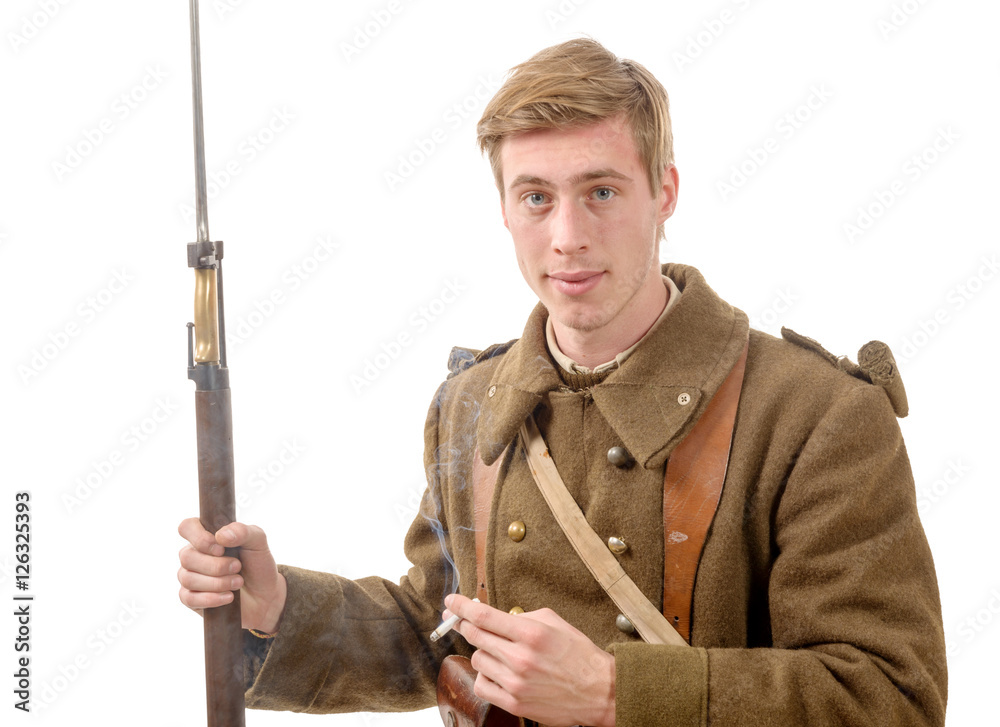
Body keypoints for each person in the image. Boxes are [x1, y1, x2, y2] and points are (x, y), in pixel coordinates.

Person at [177, 38, 947, 726]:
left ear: (665, 192)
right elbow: (435, 629)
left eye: (602, 191)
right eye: (536, 196)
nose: (568, 236)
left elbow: (891, 695)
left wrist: (617, 692)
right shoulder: (471, 403)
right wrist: (278, 607)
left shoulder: (816, 414)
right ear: (506, 209)